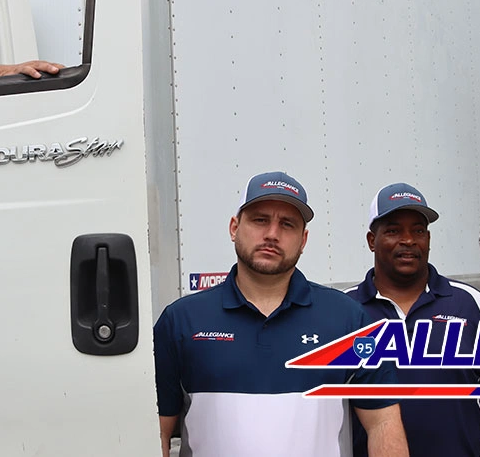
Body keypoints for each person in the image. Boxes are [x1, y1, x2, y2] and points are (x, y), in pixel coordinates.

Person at [154, 171, 409, 457]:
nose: (272, 234)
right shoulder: (181, 321)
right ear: (234, 228)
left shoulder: (349, 320)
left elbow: (382, 423)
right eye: (260, 220)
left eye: (287, 224)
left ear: (303, 240)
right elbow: (156, 432)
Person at [347, 183, 480, 457]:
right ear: (372, 240)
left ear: (428, 239)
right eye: (394, 230)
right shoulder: (344, 310)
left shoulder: (471, 305)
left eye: (418, 231)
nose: (408, 240)